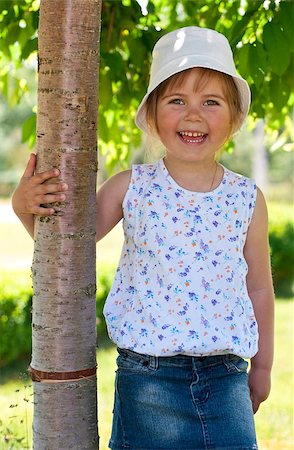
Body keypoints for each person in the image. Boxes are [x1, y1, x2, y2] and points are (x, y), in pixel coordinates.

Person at [12, 26, 274, 449]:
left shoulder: (247, 198)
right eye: (176, 101)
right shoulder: (131, 186)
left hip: (227, 378)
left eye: (211, 102)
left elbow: (259, 286)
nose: (193, 115)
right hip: (148, 380)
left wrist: (261, 368)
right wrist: (24, 205)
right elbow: (67, 251)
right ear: (152, 115)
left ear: (234, 117)